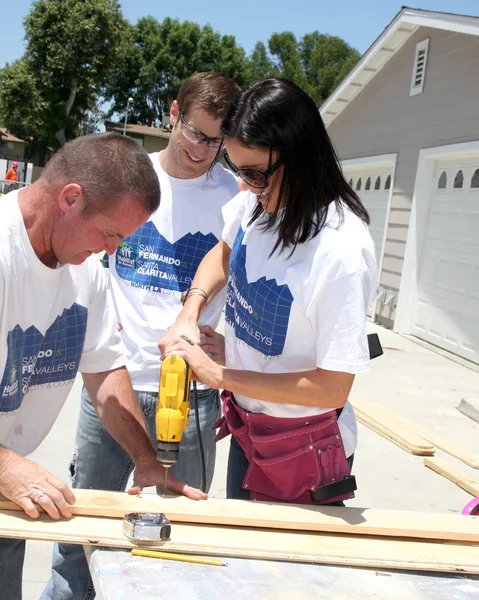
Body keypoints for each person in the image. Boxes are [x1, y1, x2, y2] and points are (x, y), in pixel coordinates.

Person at [44, 72, 239, 599]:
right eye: (197, 133)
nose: (204, 150)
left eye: (217, 140)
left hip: (191, 397)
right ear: (173, 114)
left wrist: (234, 345)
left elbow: (255, 280)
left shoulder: (236, 197)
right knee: (79, 539)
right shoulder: (131, 180)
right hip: (116, 386)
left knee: (173, 544)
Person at [0, 133, 206, 600]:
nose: (113, 250)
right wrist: (5, 465)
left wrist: (146, 460)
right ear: (71, 198)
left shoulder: (85, 272)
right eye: (111, 233)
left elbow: (106, 374)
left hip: (8, 500)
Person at [160, 78, 378, 505]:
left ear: (299, 156)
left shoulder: (341, 251)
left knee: (280, 571)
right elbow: (222, 257)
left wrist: (221, 374)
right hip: (250, 429)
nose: (244, 185)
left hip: (303, 448)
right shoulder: (257, 205)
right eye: (235, 167)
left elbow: (332, 387)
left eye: (255, 173)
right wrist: (191, 311)